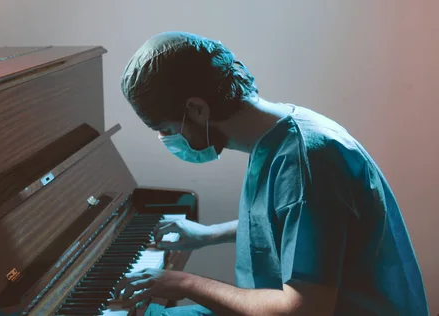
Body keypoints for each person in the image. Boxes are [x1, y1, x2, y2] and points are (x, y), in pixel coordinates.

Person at [113, 31, 429, 316]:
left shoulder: (308, 163)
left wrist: (182, 282)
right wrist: (208, 235)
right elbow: (288, 223)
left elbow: (304, 310)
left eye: (166, 129)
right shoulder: (278, 131)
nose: (166, 140)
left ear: (197, 109)